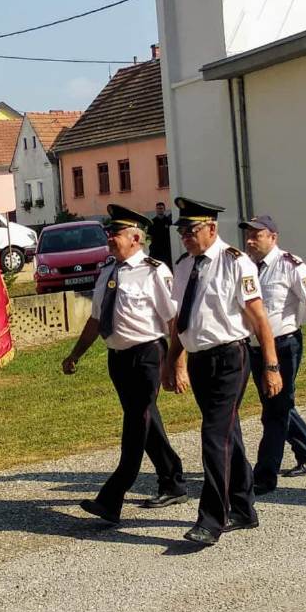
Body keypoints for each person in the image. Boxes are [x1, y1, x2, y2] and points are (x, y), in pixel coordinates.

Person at [163, 197, 281, 547]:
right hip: (199, 359)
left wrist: (271, 365)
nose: (185, 236)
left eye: (191, 230)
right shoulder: (184, 266)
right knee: (228, 432)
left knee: (214, 435)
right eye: (182, 231)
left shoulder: (235, 262)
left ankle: (212, 518)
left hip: (230, 357)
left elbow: (259, 318)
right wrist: (172, 361)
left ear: (211, 228)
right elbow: (181, 321)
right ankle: (244, 507)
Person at [62, 204, 187, 523]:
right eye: (109, 232)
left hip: (148, 355)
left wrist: (176, 364)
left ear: (136, 238)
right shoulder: (108, 271)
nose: (109, 237)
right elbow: (96, 319)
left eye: (115, 232)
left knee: (135, 425)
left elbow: (173, 321)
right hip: (118, 359)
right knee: (146, 419)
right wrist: (75, 354)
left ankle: (111, 498)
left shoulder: (154, 271)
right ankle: (172, 480)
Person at [238, 215, 306, 494]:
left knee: (274, 411)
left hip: (284, 345)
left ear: (273, 237)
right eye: (248, 235)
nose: (250, 241)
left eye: (257, 235)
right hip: (255, 346)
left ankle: (264, 475)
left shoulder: (291, 265)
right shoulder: (245, 265)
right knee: (277, 403)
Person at [147, 202, 174, 268]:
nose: (160, 210)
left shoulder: (169, 221)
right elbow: (149, 236)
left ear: (164, 209)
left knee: (167, 267)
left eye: (161, 208)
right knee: (155, 268)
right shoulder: (152, 222)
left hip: (167, 250)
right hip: (155, 250)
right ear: (156, 210)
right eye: (158, 208)